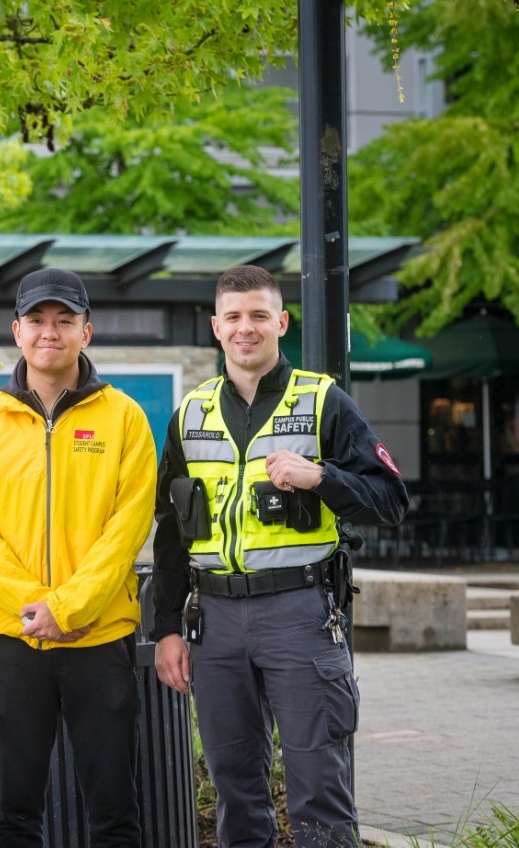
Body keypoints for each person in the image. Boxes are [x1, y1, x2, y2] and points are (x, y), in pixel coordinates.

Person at [152, 265, 409, 848]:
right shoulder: (188, 416)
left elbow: (392, 499)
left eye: (259, 316)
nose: (247, 329)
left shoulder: (325, 402)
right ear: (216, 327)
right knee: (235, 791)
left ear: (281, 323)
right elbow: (170, 532)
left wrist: (321, 476)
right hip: (213, 625)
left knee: (318, 789)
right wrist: (166, 628)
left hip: (301, 615)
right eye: (235, 318)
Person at [0, 267, 157, 847]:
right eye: (38, 321)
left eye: (64, 321)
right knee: (14, 815)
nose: (51, 332)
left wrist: (68, 608)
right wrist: (35, 607)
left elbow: (128, 528)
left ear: (86, 332)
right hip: (13, 641)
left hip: (98, 639)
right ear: (15, 331)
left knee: (115, 812)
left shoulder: (124, 419)